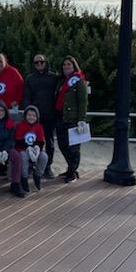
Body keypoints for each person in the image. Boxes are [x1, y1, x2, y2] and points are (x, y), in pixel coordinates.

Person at [23, 54, 59, 178]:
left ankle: (47, 166)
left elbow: (60, 94)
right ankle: (30, 165)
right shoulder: (30, 78)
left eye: (41, 62)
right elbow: (27, 96)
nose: (39, 64)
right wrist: (28, 111)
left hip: (50, 114)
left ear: (46, 62)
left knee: (49, 142)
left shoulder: (54, 77)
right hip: (34, 116)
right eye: (36, 63)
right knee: (30, 140)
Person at [55, 55, 88, 183]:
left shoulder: (79, 80)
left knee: (74, 148)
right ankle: (71, 168)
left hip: (73, 118)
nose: (66, 66)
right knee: (62, 145)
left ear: (74, 66)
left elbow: (83, 101)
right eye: (64, 64)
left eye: (69, 64)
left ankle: (72, 171)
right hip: (60, 116)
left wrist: (81, 119)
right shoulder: (62, 80)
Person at [10, 105, 48, 197]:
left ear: (37, 117)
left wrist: (37, 147)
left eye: (34, 115)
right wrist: (27, 148)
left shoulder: (39, 127)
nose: (31, 117)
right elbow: (18, 140)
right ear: (25, 116)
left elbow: (41, 141)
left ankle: (37, 175)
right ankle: (24, 178)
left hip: (35, 149)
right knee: (23, 157)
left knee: (44, 157)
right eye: (29, 115)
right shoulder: (21, 125)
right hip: (23, 148)